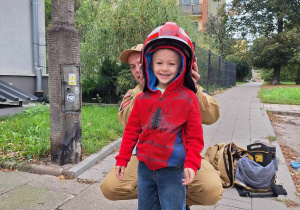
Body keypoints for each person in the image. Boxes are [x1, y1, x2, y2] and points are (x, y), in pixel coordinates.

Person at [100, 38, 223, 208]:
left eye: (140, 64)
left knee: (211, 189)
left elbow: (212, 116)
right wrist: (146, 91)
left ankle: (174, 199)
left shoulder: (189, 91)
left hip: (178, 157)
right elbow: (130, 127)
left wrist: (192, 87)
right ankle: (156, 197)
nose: (138, 70)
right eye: (132, 66)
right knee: (111, 187)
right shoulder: (136, 94)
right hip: (146, 159)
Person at [115, 22, 204, 210]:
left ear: (182, 65)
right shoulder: (141, 98)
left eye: (171, 63)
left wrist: (192, 163)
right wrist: (122, 158)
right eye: (159, 63)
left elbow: (195, 136)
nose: (165, 68)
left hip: (173, 171)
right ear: (149, 63)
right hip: (145, 169)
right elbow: (131, 132)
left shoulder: (189, 98)